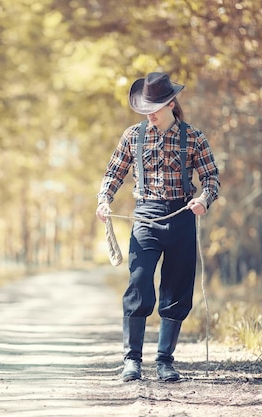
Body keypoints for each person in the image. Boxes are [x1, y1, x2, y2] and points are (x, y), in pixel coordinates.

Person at [95, 71, 220, 382]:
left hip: (182, 217)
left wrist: (204, 199)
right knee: (138, 285)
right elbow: (114, 172)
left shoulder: (194, 138)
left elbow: (211, 178)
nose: (149, 113)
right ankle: (131, 360)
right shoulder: (132, 136)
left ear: (171, 104)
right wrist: (103, 200)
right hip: (145, 218)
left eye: (155, 107)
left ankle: (165, 360)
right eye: (146, 107)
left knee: (177, 290)